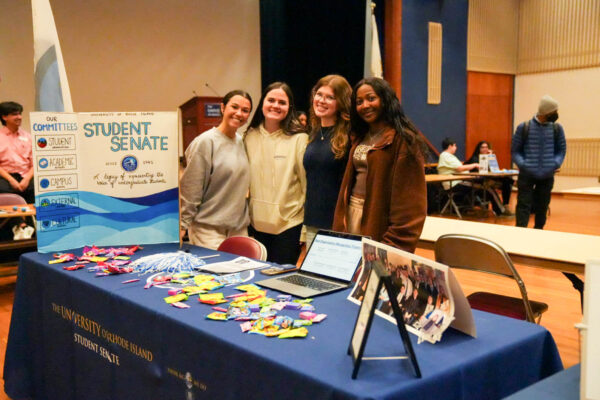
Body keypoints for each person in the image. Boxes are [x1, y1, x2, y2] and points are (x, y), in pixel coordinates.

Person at [332, 77, 427, 253]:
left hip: (377, 222)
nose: (365, 105)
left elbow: (411, 207)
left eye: (371, 98)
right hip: (351, 216)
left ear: (385, 100)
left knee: (372, 278)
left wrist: (392, 247)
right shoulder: (359, 136)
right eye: (359, 102)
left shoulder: (404, 140)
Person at [179, 90, 253, 250]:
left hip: (238, 229)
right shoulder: (205, 142)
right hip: (207, 230)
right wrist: (183, 225)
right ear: (222, 108)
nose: (239, 113)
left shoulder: (242, 142)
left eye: (245, 110)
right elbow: (191, 188)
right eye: (234, 107)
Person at [244, 82, 308, 264]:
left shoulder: (299, 139)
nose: (275, 105)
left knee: (279, 284)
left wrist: (304, 230)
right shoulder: (249, 136)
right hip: (255, 226)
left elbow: (306, 187)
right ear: (262, 102)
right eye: (271, 100)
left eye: (282, 102)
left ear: (290, 108)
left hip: (288, 227)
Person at [302, 74, 351, 247]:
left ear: (341, 103)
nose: (322, 100)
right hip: (312, 221)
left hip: (338, 225)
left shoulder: (349, 136)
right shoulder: (314, 133)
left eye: (330, 97)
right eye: (319, 94)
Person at [511, 95, 566, 229]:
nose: (556, 115)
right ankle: (520, 232)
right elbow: (515, 151)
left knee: (543, 205)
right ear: (546, 112)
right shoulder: (524, 127)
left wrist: (555, 164)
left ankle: (539, 231)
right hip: (526, 174)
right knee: (523, 204)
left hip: (547, 175)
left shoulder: (557, 129)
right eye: (554, 112)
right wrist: (523, 165)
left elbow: (561, 150)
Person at [0, 101, 34, 203]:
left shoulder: (28, 137)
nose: (19, 117)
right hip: (5, 177)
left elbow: (35, 164)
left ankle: (32, 219)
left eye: (20, 114)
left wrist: (26, 179)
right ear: (4, 117)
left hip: (26, 176)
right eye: (14, 114)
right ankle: (12, 219)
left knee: (39, 188)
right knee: (3, 189)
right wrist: (12, 180)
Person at [466, 140, 514, 213]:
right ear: (478, 149)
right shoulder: (475, 158)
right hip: (478, 180)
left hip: (488, 178)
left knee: (507, 181)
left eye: (486, 147)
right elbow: (483, 171)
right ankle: (514, 183)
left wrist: (491, 156)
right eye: (482, 147)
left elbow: (494, 169)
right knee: (507, 182)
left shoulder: (488, 156)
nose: (485, 149)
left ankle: (506, 205)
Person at [436, 137, 479, 206]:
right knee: (480, 188)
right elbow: (459, 168)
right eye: (455, 145)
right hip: (453, 183)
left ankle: (471, 204)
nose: (456, 147)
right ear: (450, 146)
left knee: (479, 187)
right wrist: (475, 165)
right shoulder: (445, 156)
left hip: (457, 182)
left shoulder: (449, 156)